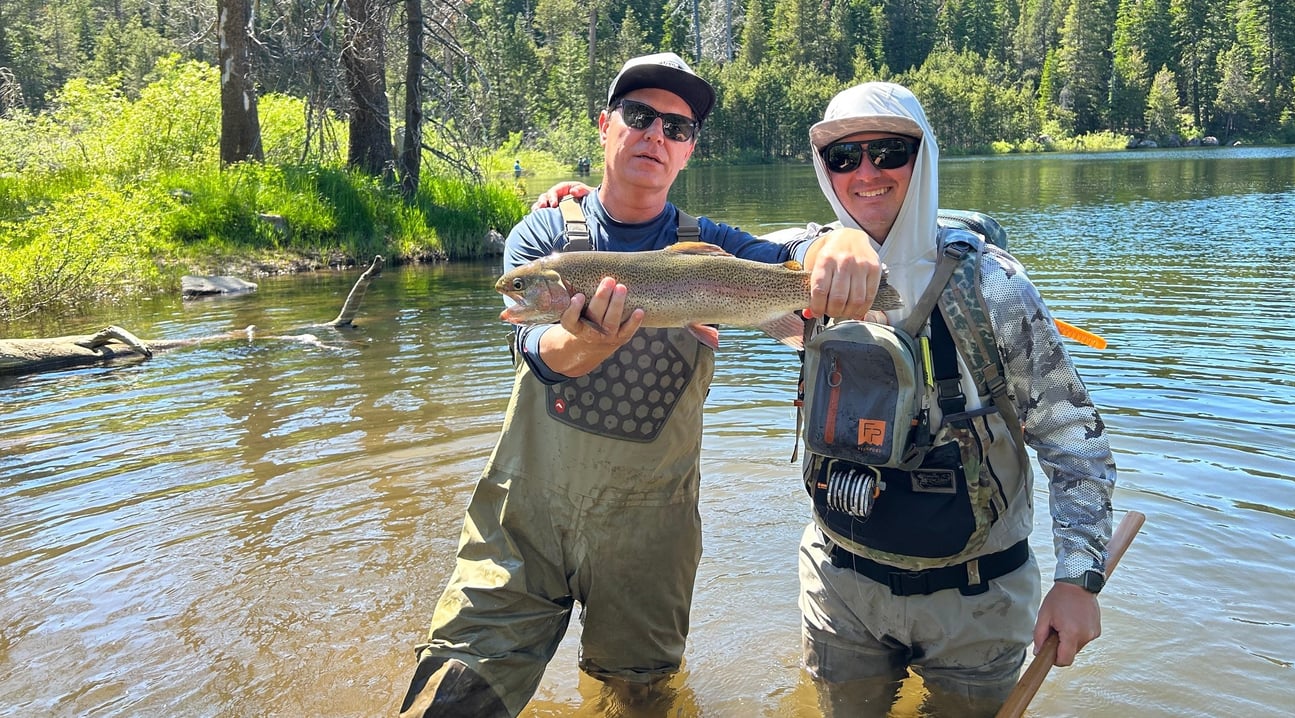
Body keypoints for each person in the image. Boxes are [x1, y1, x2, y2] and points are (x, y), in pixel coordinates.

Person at [398, 53, 882, 718]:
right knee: (449, 699)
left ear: (689, 151)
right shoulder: (544, 236)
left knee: (638, 704)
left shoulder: (711, 243)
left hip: (651, 536)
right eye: (640, 116)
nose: (657, 135)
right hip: (523, 530)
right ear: (605, 125)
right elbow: (537, 349)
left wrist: (844, 247)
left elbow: (803, 262)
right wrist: (587, 340)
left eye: (678, 129)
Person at [792, 81, 1117, 717]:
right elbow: (704, 253)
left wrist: (1078, 580)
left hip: (976, 604)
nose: (866, 174)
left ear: (925, 156)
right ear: (824, 171)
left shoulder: (992, 285)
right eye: (844, 157)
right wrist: (585, 203)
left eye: (889, 151)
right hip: (839, 588)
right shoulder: (801, 276)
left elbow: (1072, 439)